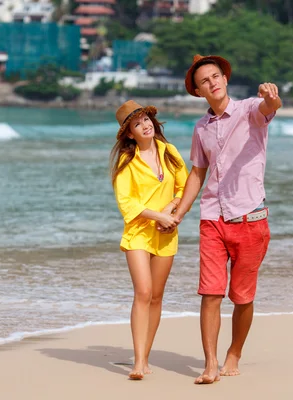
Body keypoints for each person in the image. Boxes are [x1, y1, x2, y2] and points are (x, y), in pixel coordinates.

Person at [171, 54, 282, 384]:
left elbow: (269, 107)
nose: (213, 83)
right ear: (198, 91)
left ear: (225, 79)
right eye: (205, 81)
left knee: (243, 296)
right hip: (212, 219)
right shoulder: (201, 128)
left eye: (216, 76)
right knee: (210, 292)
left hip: (251, 218)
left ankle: (234, 353)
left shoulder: (250, 109)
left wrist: (271, 96)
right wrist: (181, 211)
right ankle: (210, 363)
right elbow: (197, 173)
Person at [110, 100, 189, 380]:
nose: (145, 125)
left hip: (167, 232)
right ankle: (138, 362)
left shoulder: (170, 152)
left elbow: (185, 184)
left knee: (156, 296)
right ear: (129, 133)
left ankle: (145, 355)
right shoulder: (127, 161)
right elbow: (126, 202)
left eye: (147, 120)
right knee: (143, 292)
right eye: (137, 123)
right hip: (138, 232)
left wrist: (172, 209)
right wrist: (157, 214)